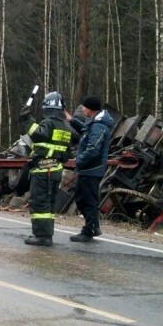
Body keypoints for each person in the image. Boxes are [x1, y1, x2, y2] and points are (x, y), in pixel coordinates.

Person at [19, 91, 73, 246]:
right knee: (48, 204)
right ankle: (46, 234)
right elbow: (68, 151)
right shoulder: (65, 127)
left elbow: (37, 135)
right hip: (56, 170)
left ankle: (42, 237)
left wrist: (27, 119)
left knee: (39, 202)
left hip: (44, 170)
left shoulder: (48, 123)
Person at [65, 95, 114, 242]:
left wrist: (79, 161)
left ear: (91, 109)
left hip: (92, 169)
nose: (82, 109)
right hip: (87, 169)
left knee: (88, 200)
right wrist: (71, 120)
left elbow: (93, 149)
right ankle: (92, 227)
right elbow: (85, 131)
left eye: (84, 107)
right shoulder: (94, 123)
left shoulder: (99, 126)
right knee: (81, 198)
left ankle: (90, 230)